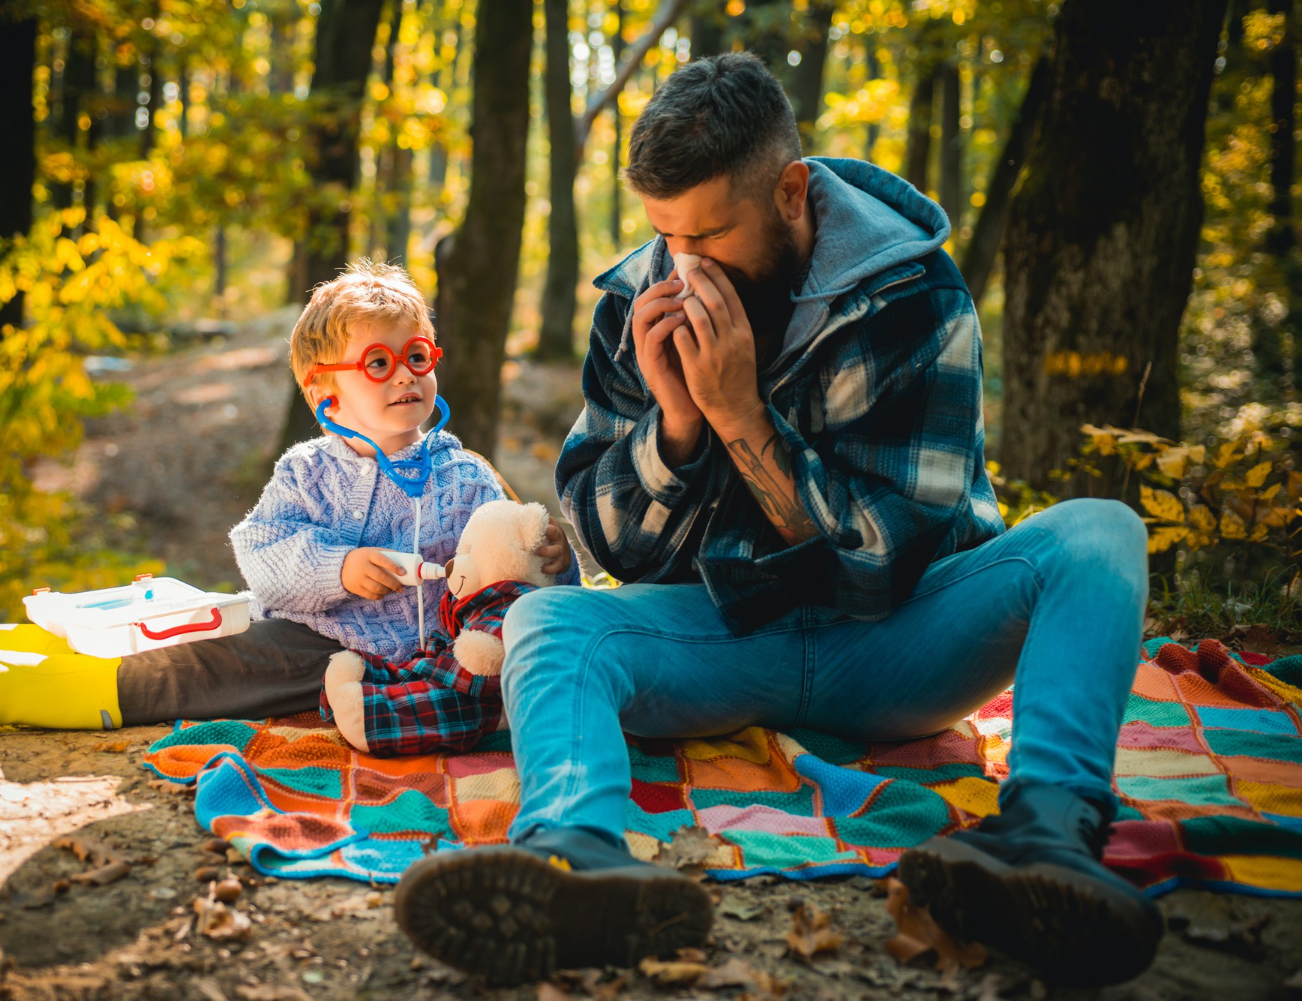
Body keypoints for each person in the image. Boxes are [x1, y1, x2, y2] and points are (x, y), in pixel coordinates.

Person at [393, 54, 1161, 988]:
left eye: (712, 234)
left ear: (791, 193)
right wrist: (675, 428)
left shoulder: (914, 296)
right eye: (667, 236)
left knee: (1098, 532)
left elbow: (883, 567)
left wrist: (741, 416)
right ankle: (575, 860)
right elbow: (605, 550)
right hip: (721, 637)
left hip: (902, 642)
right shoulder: (640, 301)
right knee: (545, 620)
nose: (686, 268)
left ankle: (1043, 838)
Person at [0, 260, 574, 736]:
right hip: (309, 621)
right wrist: (338, 568)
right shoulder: (309, 471)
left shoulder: (465, 476)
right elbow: (261, 550)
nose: (405, 377)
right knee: (179, 622)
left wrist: (552, 556)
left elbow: (515, 581)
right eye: (378, 363)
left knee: (191, 670)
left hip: (353, 661)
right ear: (324, 393)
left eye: (416, 356)